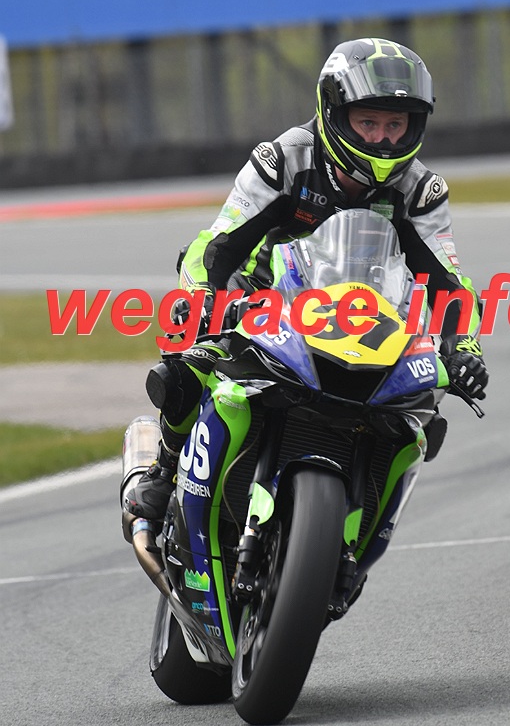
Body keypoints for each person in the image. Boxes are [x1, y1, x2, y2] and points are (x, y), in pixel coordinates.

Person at [124, 37, 488, 525]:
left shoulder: (420, 190)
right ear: (335, 112)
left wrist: (464, 347)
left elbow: (451, 285)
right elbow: (216, 245)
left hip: (366, 320)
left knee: (422, 410)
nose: (383, 140)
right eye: (368, 122)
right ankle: (163, 471)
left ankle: (362, 515)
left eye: (395, 125)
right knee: (187, 365)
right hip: (263, 302)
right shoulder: (283, 159)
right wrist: (203, 297)